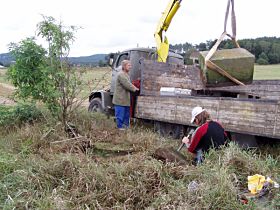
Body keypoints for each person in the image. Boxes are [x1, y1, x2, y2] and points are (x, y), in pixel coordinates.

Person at [113, 60, 139, 129]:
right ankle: (120, 131)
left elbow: (129, 84)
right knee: (120, 117)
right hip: (120, 100)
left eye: (130, 65)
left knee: (126, 117)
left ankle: (125, 130)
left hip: (125, 100)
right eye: (129, 65)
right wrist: (136, 89)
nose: (130, 67)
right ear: (124, 66)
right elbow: (127, 85)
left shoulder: (126, 75)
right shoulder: (121, 74)